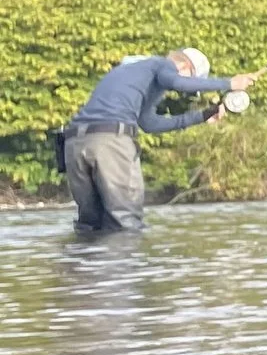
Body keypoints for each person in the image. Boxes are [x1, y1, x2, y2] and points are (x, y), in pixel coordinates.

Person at [60, 47, 253, 232]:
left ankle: (85, 265)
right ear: (185, 68)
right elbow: (178, 83)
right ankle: (125, 266)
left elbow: (149, 123)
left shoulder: (133, 74)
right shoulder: (162, 65)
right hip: (111, 142)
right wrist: (229, 84)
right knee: (126, 221)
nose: (176, 92)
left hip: (74, 143)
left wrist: (201, 116)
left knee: (91, 223)